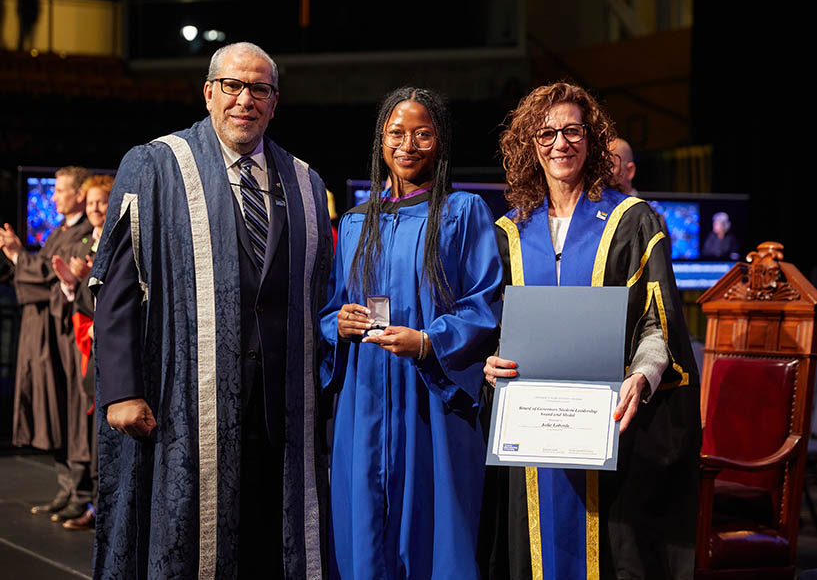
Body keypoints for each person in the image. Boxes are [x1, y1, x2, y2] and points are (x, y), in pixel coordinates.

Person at [90, 42, 333, 578]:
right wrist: (123, 390)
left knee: (266, 545)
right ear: (209, 92)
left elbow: (318, 293)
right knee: (187, 542)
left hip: (277, 409)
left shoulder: (304, 181)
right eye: (233, 86)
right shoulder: (155, 165)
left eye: (259, 89)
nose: (245, 99)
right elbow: (117, 288)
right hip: (182, 401)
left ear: (274, 102)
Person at [480, 83, 701, 579]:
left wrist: (643, 376)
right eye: (547, 133)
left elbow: (657, 323)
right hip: (532, 437)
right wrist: (489, 362)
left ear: (592, 139)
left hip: (612, 430)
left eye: (572, 131)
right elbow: (493, 328)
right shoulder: (509, 232)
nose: (560, 143)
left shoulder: (632, 221)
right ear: (529, 144)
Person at [319, 86, 503, 578]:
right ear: (381, 142)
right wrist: (337, 324)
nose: (407, 145)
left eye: (422, 134)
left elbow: (485, 302)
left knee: (437, 526)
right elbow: (331, 305)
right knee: (363, 526)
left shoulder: (463, 212)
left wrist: (427, 342)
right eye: (396, 133)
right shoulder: (357, 222)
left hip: (432, 398)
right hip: (366, 397)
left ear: (439, 142)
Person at [0, 166, 94, 523]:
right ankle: (67, 488)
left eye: (59, 190)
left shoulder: (84, 234)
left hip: (68, 335)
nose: (52, 197)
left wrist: (16, 257)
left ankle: (82, 493)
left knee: (70, 407)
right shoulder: (62, 230)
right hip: (46, 333)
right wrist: (19, 257)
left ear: (79, 194)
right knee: (54, 408)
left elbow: (45, 277)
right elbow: (42, 271)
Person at [51, 173, 115, 531]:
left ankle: (101, 505)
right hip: (91, 340)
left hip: (110, 342)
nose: (94, 208)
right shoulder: (92, 240)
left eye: (100, 202)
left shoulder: (116, 239)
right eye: (90, 202)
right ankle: (91, 501)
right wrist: (72, 282)